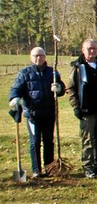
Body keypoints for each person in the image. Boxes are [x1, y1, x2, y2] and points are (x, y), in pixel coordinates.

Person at [8, 47, 66, 179]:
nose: (38, 58)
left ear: (45, 57)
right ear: (31, 57)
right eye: (35, 56)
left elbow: (62, 88)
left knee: (48, 141)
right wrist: (14, 98)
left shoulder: (52, 72)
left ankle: (49, 168)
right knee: (34, 142)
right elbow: (16, 88)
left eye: (40, 55)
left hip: (49, 113)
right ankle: (36, 170)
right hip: (33, 115)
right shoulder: (24, 73)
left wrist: (59, 88)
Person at [66, 39, 97, 178]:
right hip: (86, 109)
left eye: (95, 48)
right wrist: (76, 106)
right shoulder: (78, 67)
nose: (92, 51)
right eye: (89, 49)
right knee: (88, 139)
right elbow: (70, 88)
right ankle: (88, 166)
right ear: (83, 50)